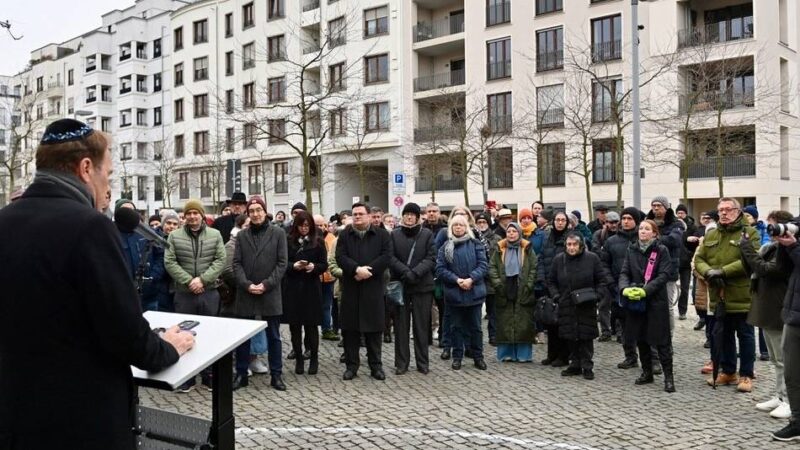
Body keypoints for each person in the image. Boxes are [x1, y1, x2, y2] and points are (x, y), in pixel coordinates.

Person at [0, 118, 194, 449]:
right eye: (109, 175)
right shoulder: (90, 227)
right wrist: (169, 347)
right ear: (86, 168)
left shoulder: (5, 221)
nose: (109, 188)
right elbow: (126, 334)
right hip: (78, 421)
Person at [694, 197, 759, 393]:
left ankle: (746, 374)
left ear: (738, 211)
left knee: (746, 335)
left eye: (728, 209)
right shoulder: (712, 234)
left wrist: (722, 271)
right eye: (720, 210)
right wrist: (707, 272)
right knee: (725, 336)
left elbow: (750, 259)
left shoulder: (749, 233)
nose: (723, 213)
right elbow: (699, 258)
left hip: (742, 294)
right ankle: (728, 371)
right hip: (719, 295)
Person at [165, 199, 227, 392]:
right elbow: (170, 261)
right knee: (184, 334)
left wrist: (203, 280)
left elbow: (221, 259)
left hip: (208, 292)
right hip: (184, 293)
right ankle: (187, 377)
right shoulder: (174, 237)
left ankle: (208, 375)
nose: (192, 217)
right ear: (185, 216)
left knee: (208, 334)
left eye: (196, 213)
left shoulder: (215, 235)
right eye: (189, 213)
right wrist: (189, 281)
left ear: (201, 215)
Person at [741, 210, 795, 419]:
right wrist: (744, 250)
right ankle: (780, 396)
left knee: (785, 360)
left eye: (772, 225)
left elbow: (767, 270)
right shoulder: (770, 247)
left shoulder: (787, 251)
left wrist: (747, 249)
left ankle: (790, 401)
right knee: (775, 359)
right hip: (766, 308)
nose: (769, 230)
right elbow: (752, 270)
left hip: (779, 309)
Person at [336, 202, 392, 381]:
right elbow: (340, 256)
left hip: (373, 287)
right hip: (351, 287)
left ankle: (376, 366)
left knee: (374, 330)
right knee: (350, 330)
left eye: (361, 213)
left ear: (369, 216)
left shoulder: (382, 235)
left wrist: (368, 271)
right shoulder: (345, 234)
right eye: (355, 214)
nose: (357, 217)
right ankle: (351, 366)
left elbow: (386, 256)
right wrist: (355, 270)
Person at [619, 219, 676, 392]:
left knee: (661, 340)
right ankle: (647, 372)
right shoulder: (632, 249)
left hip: (656, 301)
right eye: (641, 228)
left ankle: (668, 377)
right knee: (641, 338)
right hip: (636, 301)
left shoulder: (661, 250)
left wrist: (647, 290)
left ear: (654, 233)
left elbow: (665, 274)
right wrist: (624, 288)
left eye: (647, 229)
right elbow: (624, 272)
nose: (642, 231)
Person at [547, 232, 611, 380]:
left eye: (574, 244)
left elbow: (602, 281)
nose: (571, 247)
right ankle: (574, 364)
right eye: (569, 244)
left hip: (586, 303)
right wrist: (557, 296)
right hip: (566, 302)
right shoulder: (559, 260)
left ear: (581, 245)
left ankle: (587, 365)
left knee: (586, 336)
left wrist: (596, 296)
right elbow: (551, 281)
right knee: (570, 335)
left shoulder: (592, 259)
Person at [436, 214, 489, 371]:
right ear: (451, 228)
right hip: (454, 293)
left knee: (476, 328)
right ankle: (457, 357)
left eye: (461, 225)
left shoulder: (476, 244)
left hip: (474, 292)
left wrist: (471, 279)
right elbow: (440, 269)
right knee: (456, 327)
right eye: (455, 225)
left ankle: (478, 357)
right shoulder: (446, 246)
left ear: (466, 227)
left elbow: (483, 265)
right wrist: (457, 280)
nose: (458, 227)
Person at [389, 202, 436, 375]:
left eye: (412, 214)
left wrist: (415, 273)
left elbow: (431, 257)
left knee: (421, 326)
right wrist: (404, 271)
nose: (409, 217)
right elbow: (390, 257)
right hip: (401, 285)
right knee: (401, 327)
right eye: (406, 214)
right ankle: (401, 363)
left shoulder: (427, 234)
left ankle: (422, 362)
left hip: (422, 285)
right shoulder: (394, 234)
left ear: (417, 217)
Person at [282, 211, 328, 376]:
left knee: (311, 325)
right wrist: (293, 266)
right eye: (301, 225)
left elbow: (324, 265)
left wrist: (313, 267)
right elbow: (282, 263)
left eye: (307, 226)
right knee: (295, 326)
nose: (304, 229)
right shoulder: (288, 242)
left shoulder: (318, 242)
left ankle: (314, 357)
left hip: (311, 288)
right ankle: (299, 358)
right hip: (293, 288)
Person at [601, 207, 644, 369]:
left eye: (629, 218)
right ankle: (630, 356)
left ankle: (652, 359)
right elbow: (604, 264)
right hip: (618, 290)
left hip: (641, 289)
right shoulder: (611, 242)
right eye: (624, 218)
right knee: (625, 327)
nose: (625, 221)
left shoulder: (643, 240)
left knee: (644, 327)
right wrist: (611, 284)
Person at [489, 222, 538, 362]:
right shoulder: (500, 248)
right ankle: (506, 354)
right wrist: (497, 283)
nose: (511, 234)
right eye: (509, 231)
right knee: (505, 321)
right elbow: (492, 267)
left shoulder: (527, 248)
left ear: (519, 233)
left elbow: (534, 267)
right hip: (504, 287)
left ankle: (523, 355)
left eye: (514, 231)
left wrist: (528, 285)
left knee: (523, 322)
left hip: (522, 287)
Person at [772, 228, 800, 441]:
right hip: (794, 316)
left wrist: (793, 247)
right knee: (792, 374)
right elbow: (781, 268)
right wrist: (784, 244)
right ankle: (798, 422)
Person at [646, 196, 685, 331]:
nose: (656, 208)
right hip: (649, 271)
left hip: (668, 270)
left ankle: (668, 337)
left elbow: (674, 241)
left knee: (667, 307)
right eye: (654, 205)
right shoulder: (647, 222)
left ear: (666, 207)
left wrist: (653, 238)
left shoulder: (676, 223)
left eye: (659, 205)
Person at [538, 211, 572, 367]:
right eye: (557, 220)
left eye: (562, 220)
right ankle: (551, 354)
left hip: (564, 287)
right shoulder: (547, 238)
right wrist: (542, 278)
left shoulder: (571, 238)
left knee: (563, 323)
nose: (560, 222)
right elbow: (541, 259)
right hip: (548, 285)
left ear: (567, 222)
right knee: (550, 322)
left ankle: (563, 356)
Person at [593, 211, 620, 341]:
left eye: (615, 222)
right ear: (605, 223)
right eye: (610, 222)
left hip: (618, 274)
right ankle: (605, 331)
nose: (613, 225)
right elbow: (596, 252)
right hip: (603, 275)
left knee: (619, 304)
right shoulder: (599, 235)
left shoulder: (622, 235)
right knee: (603, 305)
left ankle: (619, 331)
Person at [475, 212, 502, 345]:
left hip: (491, 279)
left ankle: (493, 335)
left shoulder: (496, 238)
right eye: (479, 223)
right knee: (476, 310)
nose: (481, 225)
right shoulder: (473, 237)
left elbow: (498, 258)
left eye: (484, 222)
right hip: (478, 278)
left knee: (493, 311)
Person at [316, 214, 339, 341]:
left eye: (322, 225)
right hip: (315, 277)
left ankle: (326, 329)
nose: (320, 227)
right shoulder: (311, 238)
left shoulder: (331, 238)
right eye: (317, 225)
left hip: (329, 277)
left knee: (327, 305)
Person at [676, 204, 698, 321]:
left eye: (682, 213)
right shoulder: (674, 225)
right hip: (674, 261)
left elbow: (696, 243)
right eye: (678, 213)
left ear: (686, 213)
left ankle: (682, 311)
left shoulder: (692, 227)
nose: (680, 215)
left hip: (686, 262)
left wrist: (690, 253)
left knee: (684, 288)